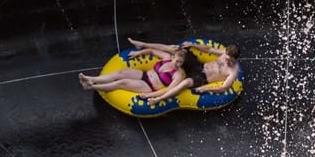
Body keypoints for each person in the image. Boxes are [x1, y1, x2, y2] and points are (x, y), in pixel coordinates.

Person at [79, 38, 242, 102]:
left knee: (186, 82)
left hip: (201, 78)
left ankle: (91, 85)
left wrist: (205, 89)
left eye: (230, 60)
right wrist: (193, 45)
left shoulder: (232, 71)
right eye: (226, 57)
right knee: (178, 48)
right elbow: (209, 50)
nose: (226, 61)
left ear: (235, 60)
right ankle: (91, 79)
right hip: (198, 66)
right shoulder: (223, 53)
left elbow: (224, 87)